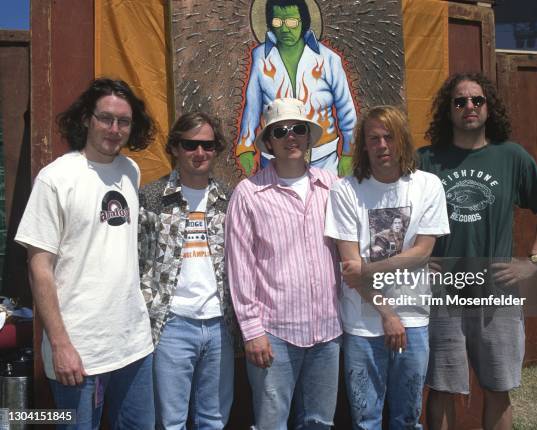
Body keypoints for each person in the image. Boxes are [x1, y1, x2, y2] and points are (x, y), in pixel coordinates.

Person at [419, 72, 537, 430]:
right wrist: (418, 260)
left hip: (497, 296)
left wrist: (533, 262)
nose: (469, 106)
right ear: (448, 110)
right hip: (442, 297)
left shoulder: (510, 156)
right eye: (460, 101)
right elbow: (398, 212)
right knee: (441, 390)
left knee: (499, 389)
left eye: (477, 100)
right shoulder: (427, 160)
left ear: (488, 107)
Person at [15, 78, 156, 429]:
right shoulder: (55, 179)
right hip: (79, 352)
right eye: (105, 118)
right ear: (86, 119)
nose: (114, 129)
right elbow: (39, 267)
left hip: (133, 345)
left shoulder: (129, 171)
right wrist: (61, 345)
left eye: (123, 122)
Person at [325, 105, 449, 429]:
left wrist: (370, 268)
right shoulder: (346, 191)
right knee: (366, 420)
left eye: (389, 137)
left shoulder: (428, 185)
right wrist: (388, 314)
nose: (382, 145)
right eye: (374, 138)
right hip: (363, 325)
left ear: (402, 140)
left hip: (415, 320)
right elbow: (350, 268)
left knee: (407, 418)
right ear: (364, 145)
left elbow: (423, 252)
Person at [226, 98, 342, 429]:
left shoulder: (332, 187)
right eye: (280, 131)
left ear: (308, 137)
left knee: (320, 423)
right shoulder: (249, 194)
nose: (290, 137)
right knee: (271, 423)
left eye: (298, 129)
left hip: (328, 332)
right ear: (269, 143)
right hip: (274, 334)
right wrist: (252, 331)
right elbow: (241, 267)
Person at [138, 112, 240, 429]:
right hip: (170, 325)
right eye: (190, 145)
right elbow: (136, 260)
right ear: (175, 148)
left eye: (208, 146)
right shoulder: (151, 197)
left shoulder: (231, 199)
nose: (200, 153)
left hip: (219, 324)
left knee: (214, 420)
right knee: (170, 422)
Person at [236, 0, 357, 176]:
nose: (285, 29)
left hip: (323, 159)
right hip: (274, 159)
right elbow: (253, 105)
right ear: (270, 23)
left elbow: (346, 108)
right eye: (278, 22)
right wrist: (245, 145)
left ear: (304, 22)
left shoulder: (329, 59)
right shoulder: (261, 58)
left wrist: (349, 151)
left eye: (292, 22)